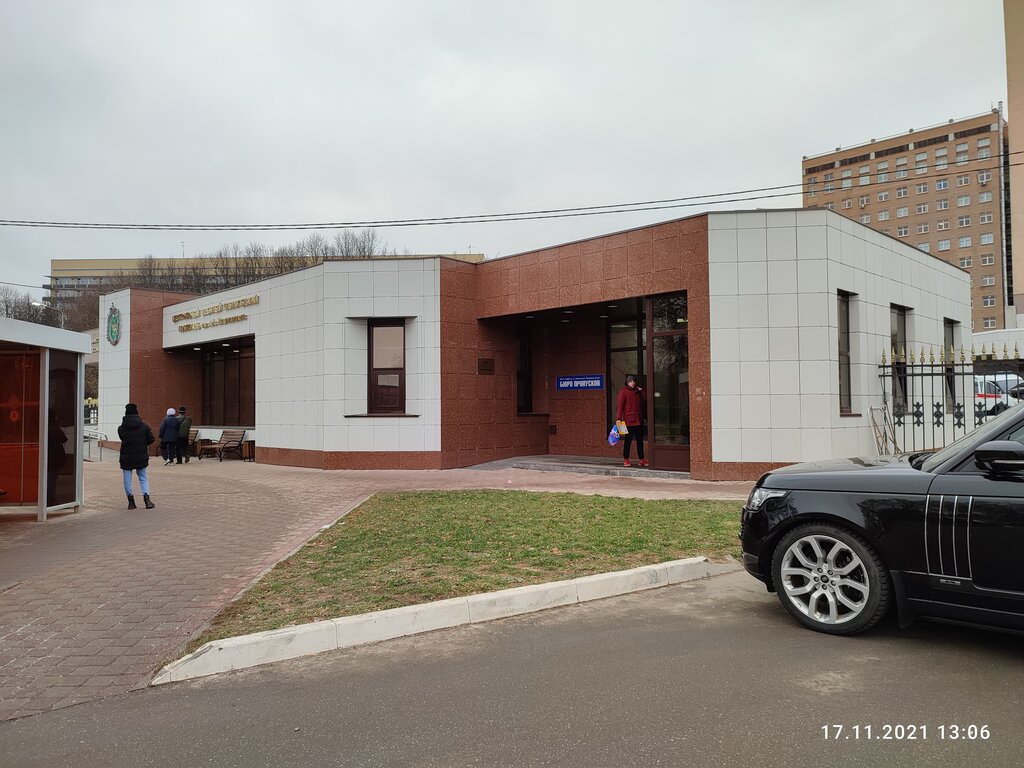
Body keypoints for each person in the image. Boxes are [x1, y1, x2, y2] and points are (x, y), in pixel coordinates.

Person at [118, 403, 155, 509]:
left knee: (127, 479)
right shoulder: (144, 426)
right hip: (141, 456)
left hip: (126, 457)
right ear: (136, 412)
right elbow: (151, 439)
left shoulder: (121, 428)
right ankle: (147, 500)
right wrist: (143, 444)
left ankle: (131, 502)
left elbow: (123, 438)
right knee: (143, 477)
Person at [615, 374, 648, 468]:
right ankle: (626, 459)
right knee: (628, 441)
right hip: (628, 421)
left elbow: (645, 400)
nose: (632, 383)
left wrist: (642, 391)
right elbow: (620, 406)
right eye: (630, 381)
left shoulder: (638, 391)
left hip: (638, 421)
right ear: (627, 383)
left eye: (633, 381)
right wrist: (618, 418)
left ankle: (641, 459)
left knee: (640, 441)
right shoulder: (623, 392)